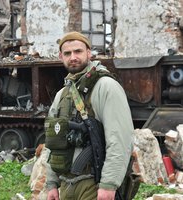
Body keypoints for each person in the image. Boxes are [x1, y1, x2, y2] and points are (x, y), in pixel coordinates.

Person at [45, 31, 134, 200]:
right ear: (60, 56)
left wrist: (109, 184)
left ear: (89, 53)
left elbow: (120, 139)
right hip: (66, 184)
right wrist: (51, 183)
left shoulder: (106, 87)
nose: (73, 57)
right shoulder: (62, 95)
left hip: (93, 185)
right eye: (67, 53)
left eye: (78, 51)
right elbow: (53, 140)